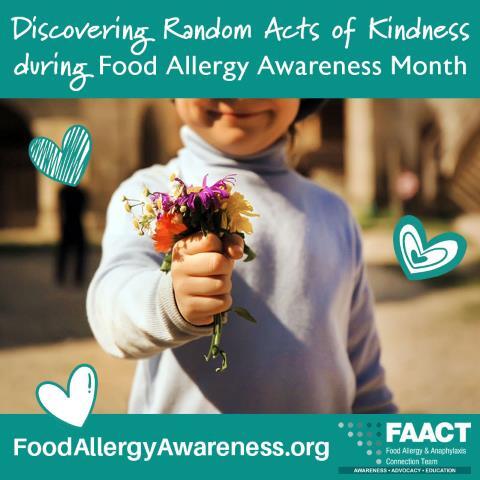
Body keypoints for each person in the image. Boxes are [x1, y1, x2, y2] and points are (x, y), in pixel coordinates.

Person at [87, 99, 397, 413]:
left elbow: (367, 385)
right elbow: (112, 308)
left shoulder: (335, 215)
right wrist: (170, 302)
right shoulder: (149, 195)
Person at [56, 185, 87, 286]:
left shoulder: (64, 192)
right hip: (76, 224)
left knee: (65, 253)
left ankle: (62, 276)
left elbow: (60, 210)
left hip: (68, 224)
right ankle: (77, 277)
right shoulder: (80, 192)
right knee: (78, 253)